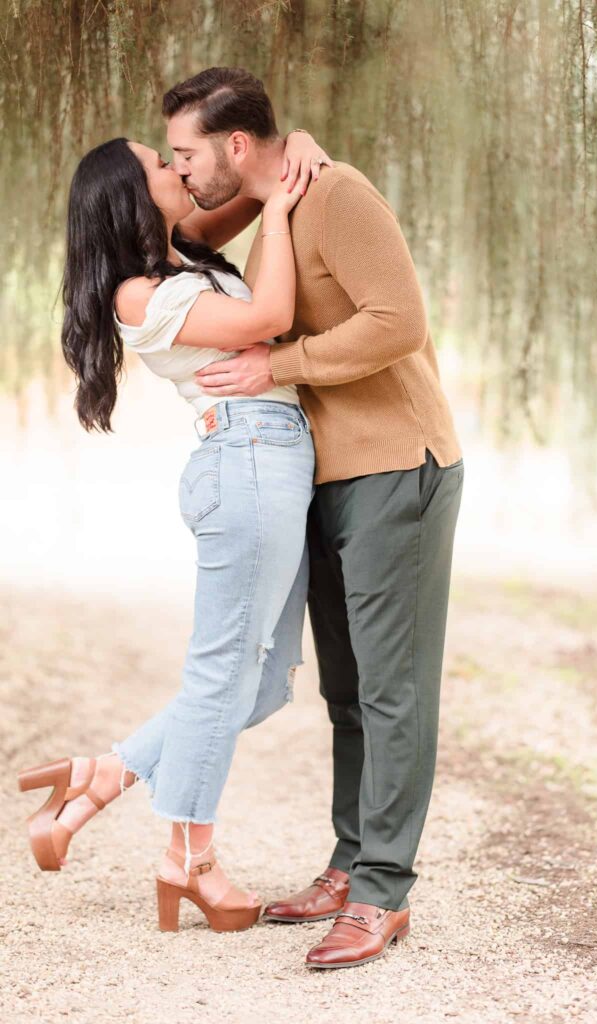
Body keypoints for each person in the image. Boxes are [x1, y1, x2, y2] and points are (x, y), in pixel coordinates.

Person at [166, 67, 466, 968]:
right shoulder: (276, 209)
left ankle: (382, 891)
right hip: (325, 480)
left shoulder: (334, 194)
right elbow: (181, 228)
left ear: (237, 145)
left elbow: (398, 321)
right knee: (346, 694)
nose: (181, 172)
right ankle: (349, 861)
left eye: (187, 153)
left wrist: (280, 366)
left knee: (390, 689)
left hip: (394, 468)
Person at [18, 111, 332, 933]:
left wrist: (289, 151)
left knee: (260, 681)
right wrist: (290, 211)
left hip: (274, 459)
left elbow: (257, 186)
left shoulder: (182, 252)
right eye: (163, 162)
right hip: (247, 457)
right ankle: (188, 859)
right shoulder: (138, 294)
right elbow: (267, 317)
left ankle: (104, 775)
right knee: (224, 668)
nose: (177, 166)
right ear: (132, 196)